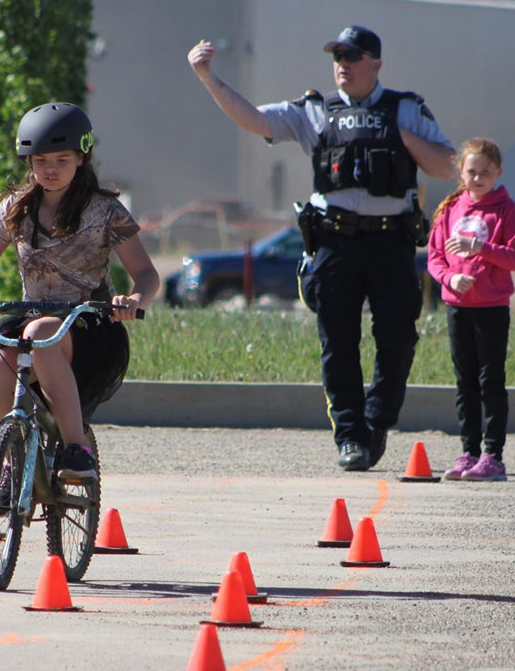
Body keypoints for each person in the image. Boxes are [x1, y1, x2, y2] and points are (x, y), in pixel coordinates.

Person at [188, 26, 456, 472]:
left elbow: (446, 165)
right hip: (335, 241)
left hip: (391, 241)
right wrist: (207, 77)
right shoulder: (318, 110)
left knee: (398, 339)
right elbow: (255, 119)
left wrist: (397, 135)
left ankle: (377, 422)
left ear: (377, 63)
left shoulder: (406, 108)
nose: (342, 65)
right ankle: (350, 436)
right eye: (338, 56)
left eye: (353, 56)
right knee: (338, 342)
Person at [0, 102, 160, 481]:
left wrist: (134, 300)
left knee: (39, 334)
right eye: (40, 160)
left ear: (82, 158)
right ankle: (8, 467)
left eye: (62, 159)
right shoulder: (15, 209)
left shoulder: (106, 211)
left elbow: (147, 274)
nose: (50, 169)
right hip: (34, 317)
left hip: (89, 326)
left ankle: (76, 449)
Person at [425, 138, 515, 481]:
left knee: (490, 381)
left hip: (491, 307)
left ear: (498, 172)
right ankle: (468, 452)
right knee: (464, 381)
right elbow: (435, 257)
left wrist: (480, 247)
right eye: (472, 171)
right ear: (461, 172)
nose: (478, 177)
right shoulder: (450, 208)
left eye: (486, 171)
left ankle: (493, 455)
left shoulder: (508, 211)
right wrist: (450, 279)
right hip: (458, 307)